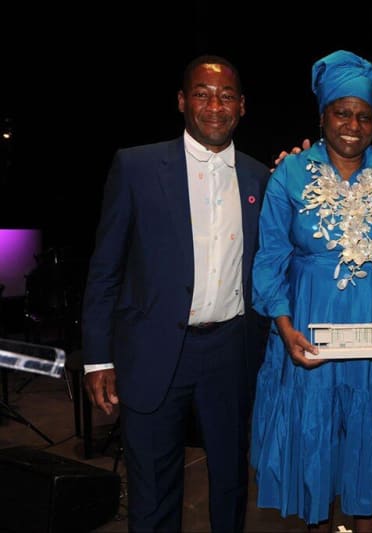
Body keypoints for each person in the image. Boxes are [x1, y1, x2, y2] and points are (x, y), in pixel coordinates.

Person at [249, 50, 372, 532]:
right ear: (323, 116)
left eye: (364, 115)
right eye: (342, 112)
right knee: (316, 456)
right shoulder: (289, 175)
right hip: (309, 341)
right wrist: (284, 326)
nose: (352, 124)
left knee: (368, 463)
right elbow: (269, 257)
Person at [81, 54, 269, 531]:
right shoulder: (136, 165)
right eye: (202, 93)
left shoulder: (259, 176)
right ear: (183, 101)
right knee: (154, 489)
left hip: (231, 351)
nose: (214, 105)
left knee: (229, 481)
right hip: (153, 349)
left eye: (226, 95)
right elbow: (105, 267)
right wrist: (97, 357)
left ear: (242, 106)